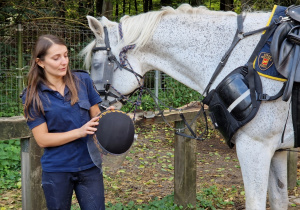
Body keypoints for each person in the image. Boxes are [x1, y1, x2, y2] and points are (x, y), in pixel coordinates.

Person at [21, 34, 109, 210]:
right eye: (56, 58)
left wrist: (112, 119)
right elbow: (42, 139)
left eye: (66, 55)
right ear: (40, 62)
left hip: (89, 165)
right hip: (57, 170)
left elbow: (97, 116)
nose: (64, 61)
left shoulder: (82, 80)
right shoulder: (32, 96)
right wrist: (79, 132)